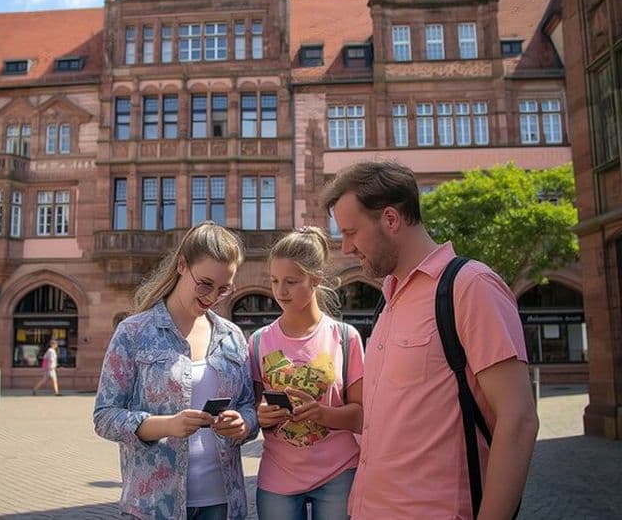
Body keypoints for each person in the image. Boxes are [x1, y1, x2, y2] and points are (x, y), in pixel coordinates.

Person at [321, 161, 539, 519]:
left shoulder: (470, 286)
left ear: (390, 219)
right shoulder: (389, 298)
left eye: (351, 232)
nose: (346, 248)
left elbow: (518, 421)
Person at [93, 222, 258, 520]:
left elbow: (248, 405)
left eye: (223, 289)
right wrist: (166, 425)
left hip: (222, 502)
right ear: (182, 265)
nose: (212, 297)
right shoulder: (134, 332)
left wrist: (243, 423)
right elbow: (105, 416)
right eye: (205, 284)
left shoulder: (232, 336)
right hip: (153, 504)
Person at [252, 228, 364, 520]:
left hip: (339, 472)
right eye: (275, 281)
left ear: (316, 279)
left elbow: (363, 416)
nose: (280, 292)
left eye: (291, 281)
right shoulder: (259, 341)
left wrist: (321, 414)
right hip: (278, 474)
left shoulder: (345, 336)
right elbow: (251, 409)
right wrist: (260, 416)